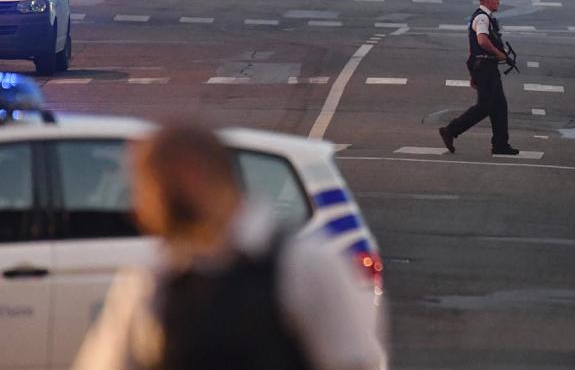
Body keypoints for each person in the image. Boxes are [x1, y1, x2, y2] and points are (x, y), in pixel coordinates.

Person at [72, 124, 385, 370]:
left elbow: (354, 362)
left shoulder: (304, 265)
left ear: (190, 175)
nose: (138, 210)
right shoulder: (156, 279)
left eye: (146, 189)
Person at [438, 0, 519, 156]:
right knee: (485, 107)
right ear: (487, 0)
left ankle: (500, 144)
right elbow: (482, 41)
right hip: (485, 68)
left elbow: (472, 47)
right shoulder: (482, 17)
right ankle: (450, 130)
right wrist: (498, 54)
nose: (499, 2)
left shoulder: (486, 17)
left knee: (499, 106)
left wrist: (473, 73)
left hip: (484, 67)